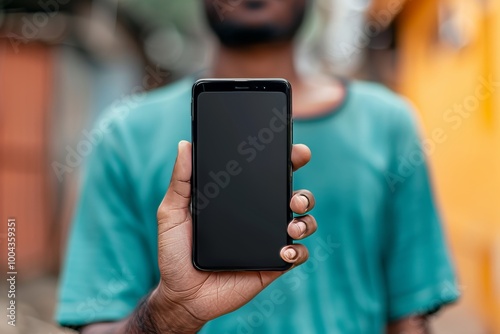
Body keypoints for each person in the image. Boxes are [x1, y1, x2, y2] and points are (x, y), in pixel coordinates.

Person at [56, 0, 460, 333]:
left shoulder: (390, 124)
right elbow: (98, 322)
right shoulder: (125, 134)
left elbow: (409, 318)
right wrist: (172, 312)